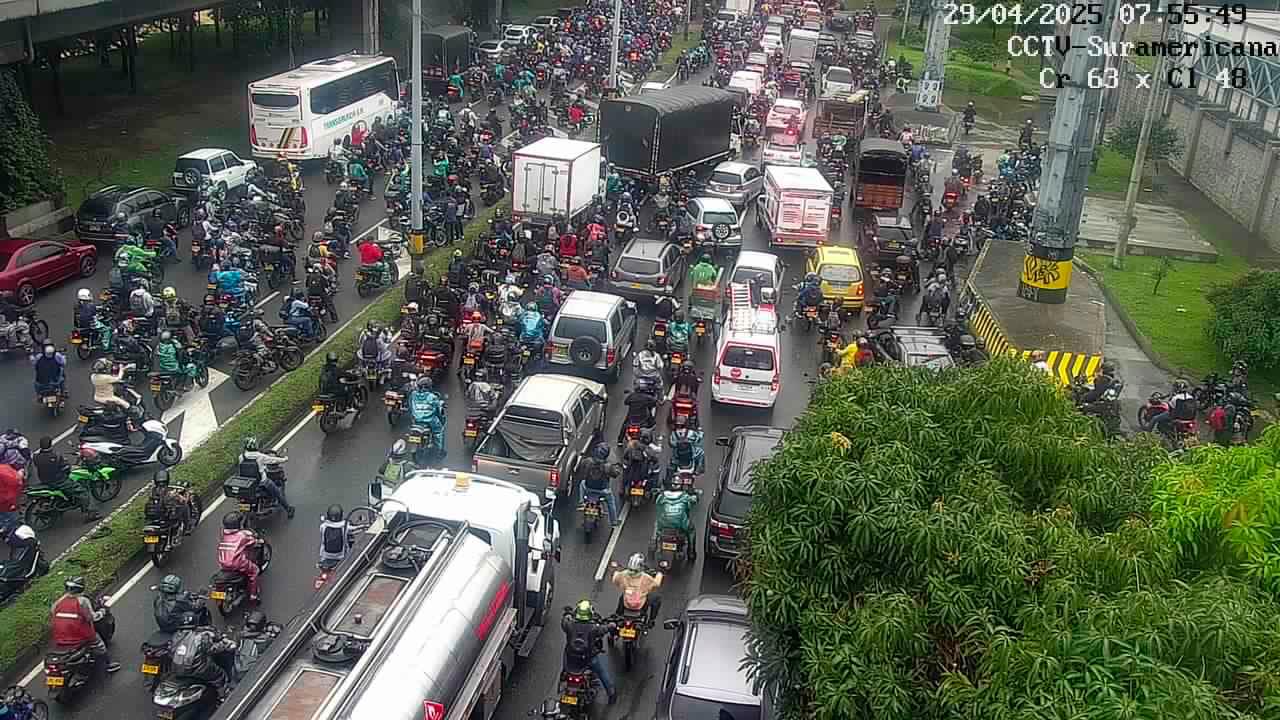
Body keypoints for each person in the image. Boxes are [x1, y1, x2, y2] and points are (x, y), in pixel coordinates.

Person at [49, 577, 120, 673]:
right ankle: (108, 665)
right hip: (81, 635)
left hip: (59, 636)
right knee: (99, 645)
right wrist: (102, 611)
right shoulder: (82, 601)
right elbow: (92, 618)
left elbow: (53, 613)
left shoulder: (58, 602)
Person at [560, 600, 617, 704]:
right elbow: (604, 629)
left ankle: (562, 680)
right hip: (587, 660)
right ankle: (611, 694)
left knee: (565, 666)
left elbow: (564, 621)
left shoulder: (569, 625)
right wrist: (611, 625)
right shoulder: (593, 628)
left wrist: (567, 613)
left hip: (570, 660)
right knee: (601, 672)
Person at [33, 436, 100, 521]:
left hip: (44, 480)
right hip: (59, 481)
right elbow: (66, 467)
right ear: (51, 444)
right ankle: (92, 513)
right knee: (82, 491)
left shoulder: (36, 457)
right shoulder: (56, 456)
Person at [168, 625, 238, 699]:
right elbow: (214, 649)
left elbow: (171, 651)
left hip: (177, 666)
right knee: (219, 675)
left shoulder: (180, 635)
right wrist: (228, 645)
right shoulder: (205, 636)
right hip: (196, 667)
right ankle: (224, 694)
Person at [238, 437, 295, 518]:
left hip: (248, 483)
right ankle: (289, 510)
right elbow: (273, 460)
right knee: (278, 494)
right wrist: (285, 459)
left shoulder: (241, 457)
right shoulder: (260, 456)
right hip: (262, 482)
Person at [217, 511, 265, 602]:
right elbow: (253, 541)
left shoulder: (223, 533)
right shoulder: (242, 536)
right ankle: (253, 596)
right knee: (254, 571)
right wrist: (259, 541)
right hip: (237, 563)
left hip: (222, 562)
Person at [653, 477, 699, 560]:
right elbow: (694, 500)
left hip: (663, 524)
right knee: (691, 531)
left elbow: (657, 503)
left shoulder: (662, 495)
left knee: (657, 525)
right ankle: (691, 552)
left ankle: (653, 544)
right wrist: (695, 496)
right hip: (681, 524)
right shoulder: (685, 496)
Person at [611, 552, 662, 623]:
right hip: (640, 604)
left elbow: (615, 579)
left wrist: (616, 571)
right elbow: (656, 584)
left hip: (626, 603)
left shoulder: (624, 574)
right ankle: (651, 620)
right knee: (657, 600)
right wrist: (659, 574)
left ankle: (618, 614)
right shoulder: (645, 577)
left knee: (622, 597)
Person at [576, 444, 619, 527]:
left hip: (588, 488)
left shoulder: (588, 461)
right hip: (603, 491)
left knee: (582, 483)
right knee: (611, 502)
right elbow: (615, 474)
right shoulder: (608, 466)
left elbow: (581, 467)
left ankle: (581, 501)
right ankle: (614, 521)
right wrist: (617, 470)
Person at [147, 470, 194, 535]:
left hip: (153, 516)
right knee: (184, 506)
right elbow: (183, 500)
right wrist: (184, 495)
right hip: (167, 516)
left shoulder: (153, 490)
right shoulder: (170, 493)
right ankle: (187, 527)